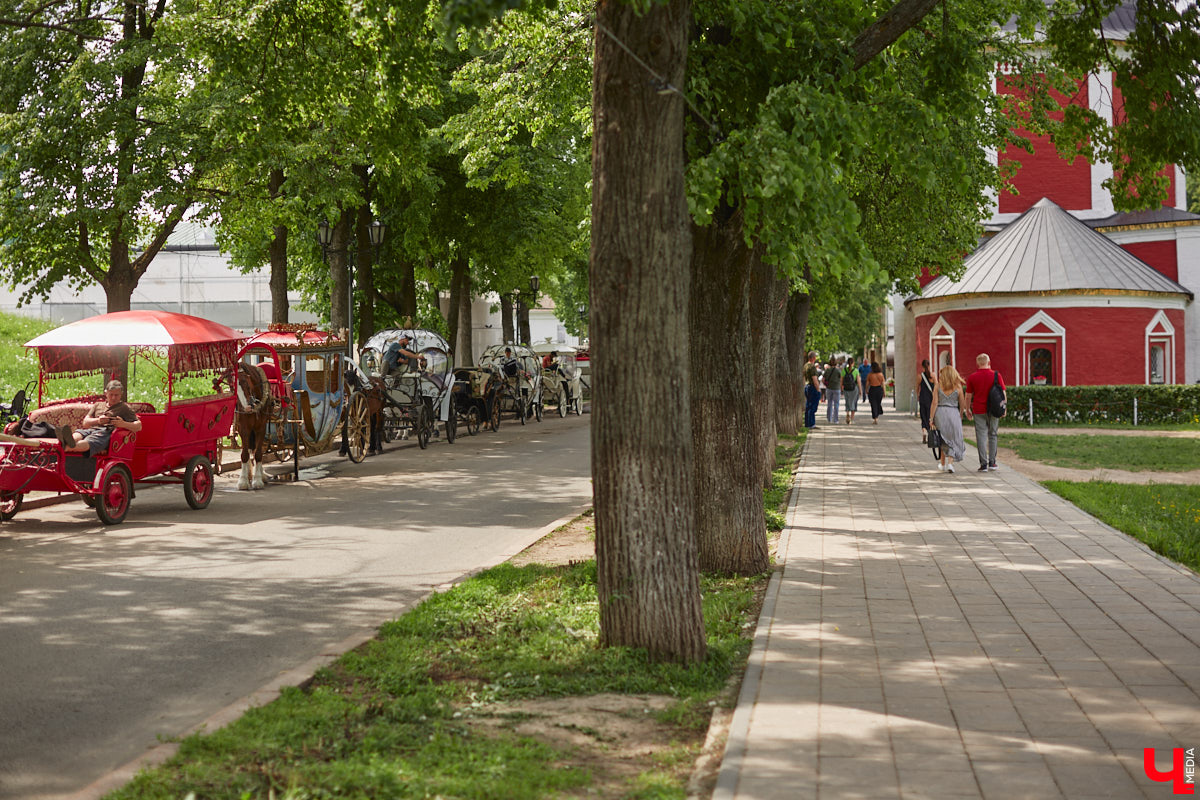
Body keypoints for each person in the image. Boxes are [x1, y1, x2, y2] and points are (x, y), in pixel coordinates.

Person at [57, 380, 142, 455]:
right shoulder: (98, 405)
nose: (113, 398)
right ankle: (67, 440)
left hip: (105, 432)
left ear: (121, 395)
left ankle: (67, 447)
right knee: (79, 433)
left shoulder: (124, 408)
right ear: (106, 393)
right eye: (111, 394)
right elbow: (85, 423)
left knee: (91, 440)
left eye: (116, 395)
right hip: (91, 429)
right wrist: (98, 421)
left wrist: (123, 424)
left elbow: (139, 426)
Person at [964, 353, 1007, 472]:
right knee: (993, 434)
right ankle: (992, 463)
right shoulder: (997, 375)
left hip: (978, 410)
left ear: (977, 364)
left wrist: (967, 409)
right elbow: (1003, 393)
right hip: (994, 410)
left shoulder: (972, 377)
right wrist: (1004, 408)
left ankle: (983, 464)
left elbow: (968, 396)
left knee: (981, 436)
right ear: (989, 362)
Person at [929, 365, 968, 473]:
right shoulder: (958, 387)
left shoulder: (938, 386)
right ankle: (950, 463)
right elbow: (962, 403)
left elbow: (934, 403)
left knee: (943, 438)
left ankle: (942, 464)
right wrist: (960, 415)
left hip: (940, 413)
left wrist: (931, 418)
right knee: (953, 439)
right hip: (953, 412)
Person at [918, 359, 936, 443]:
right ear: (929, 365)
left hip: (922, 398)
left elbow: (917, 387)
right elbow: (937, 387)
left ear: (922, 366)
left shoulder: (920, 376)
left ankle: (924, 431)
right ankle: (930, 433)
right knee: (930, 416)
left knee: (923, 415)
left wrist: (918, 396)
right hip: (931, 399)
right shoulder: (933, 375)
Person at [802, 351, 821, 430]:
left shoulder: (805, 365)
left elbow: (803, 377)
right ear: (813, 358)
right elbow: (814, 379)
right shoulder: (812, 367)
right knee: (813, 406)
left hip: (807, 386)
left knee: (808, 406)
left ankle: (807, 423)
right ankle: (811, 424)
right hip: (812, 387)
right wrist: (818, 389)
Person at [823, 357, 843, 425]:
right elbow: (841, 379)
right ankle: (836, 420)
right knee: (836, 404)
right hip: (836, 388)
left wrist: (826, 385)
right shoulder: (838, 371)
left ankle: (829, 418)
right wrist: (841, 387)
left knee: (829, 403)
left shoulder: (827, 370)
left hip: (829, 388)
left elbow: (823, 380)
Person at [841, 356, 859, 425]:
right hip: (854, 389)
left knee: (847, 401)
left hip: (846, 389)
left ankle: (847, 413)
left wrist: (841, 388)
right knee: (853, 402)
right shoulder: (856, 370)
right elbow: (858, 381)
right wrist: (860, 389)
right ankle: (852, 419)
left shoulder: (844, 370)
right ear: (853, 363)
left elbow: (841, 381)